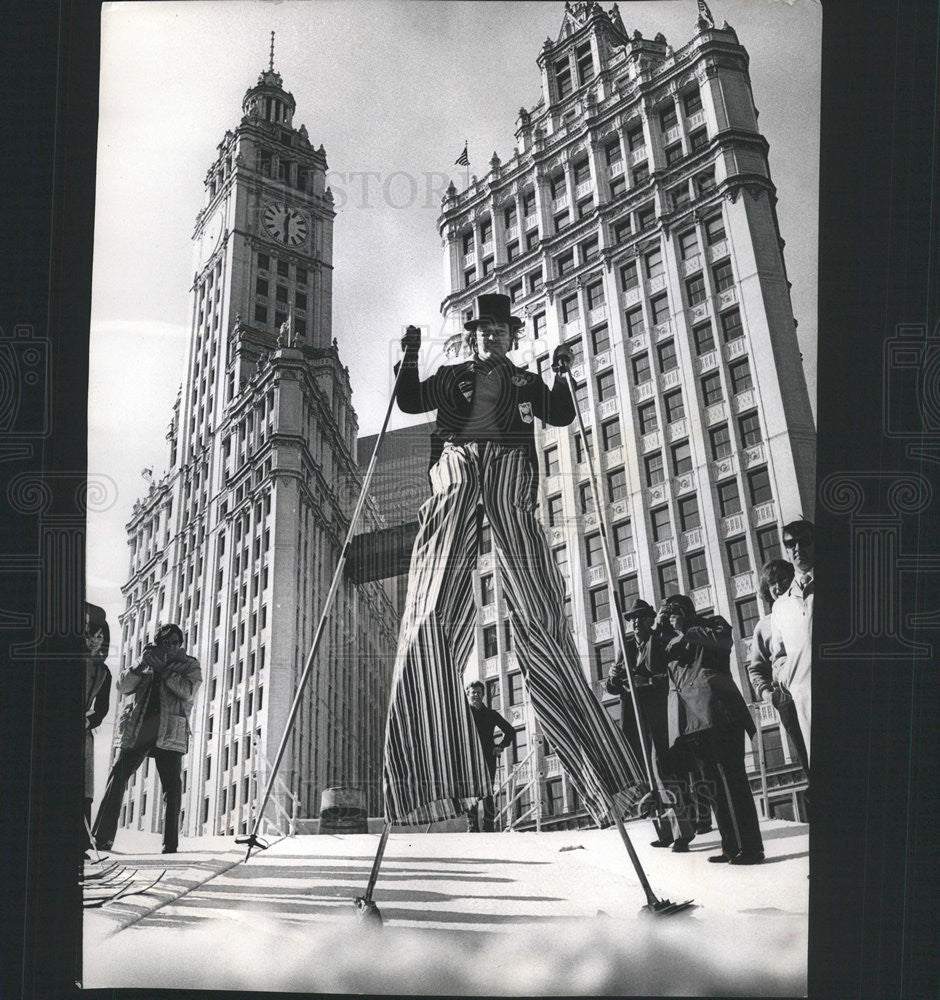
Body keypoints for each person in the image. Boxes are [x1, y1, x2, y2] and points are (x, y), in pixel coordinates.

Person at [382, 294, 643, 828]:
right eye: (482, 331)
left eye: (500, 331)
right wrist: (410, 355)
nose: (491, 337)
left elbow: (562, 413)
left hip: (510, 472)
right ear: (471, 337)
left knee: (541, 617)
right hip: (455, 467)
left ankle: (611, 787)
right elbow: (409, 401)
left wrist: (564, 374)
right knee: (430, 610)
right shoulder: (452, 374)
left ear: (511, 336)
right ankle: (424, 788)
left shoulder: (526, 382)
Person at [655, 594, 764, 865]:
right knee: (712, 787)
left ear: (688, 612)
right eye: (668, 613)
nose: (671, 616)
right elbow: (649, 665)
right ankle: (730, 846)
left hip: (720, 715)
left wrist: (686, 628)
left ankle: (750, 847)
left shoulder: (711, 624)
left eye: (675, 611)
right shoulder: (669, 642)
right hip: (692, 724)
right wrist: (658, 629)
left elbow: (722, 641)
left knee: (734, 781)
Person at [92, 624, 202, 854]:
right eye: (165, 641)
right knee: (118, 776)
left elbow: (188, 691)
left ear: (180, 644)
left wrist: (165, 671)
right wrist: (141, 665)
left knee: (172, 788)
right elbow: (122, 686)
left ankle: (170, 844)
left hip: (171, 731)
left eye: (175, 642)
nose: (170, 646)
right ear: (158, 641)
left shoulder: (189, 664)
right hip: (140, 728)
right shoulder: (146, 659)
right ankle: (101, 838)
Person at [606, 598, 697, 851]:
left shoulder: (658, 641)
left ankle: (682, 833)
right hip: (634, 720)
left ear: (649, 619)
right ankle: (664, 829)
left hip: (658, 715)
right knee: (646, 775)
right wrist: (614, 678)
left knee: (662, 770)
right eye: (632, 619)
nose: (635, 622)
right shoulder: (625, 647)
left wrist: (641, 681)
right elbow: (613, 687)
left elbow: (666, 676)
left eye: (639, 617)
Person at [747, 559, 809, 773]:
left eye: (783, 579)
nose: (778, 586)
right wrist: (770, 696)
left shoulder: (807, 607)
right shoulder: (764, 625)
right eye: (772, 583)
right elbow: (755, 669)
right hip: (787, 698)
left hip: (811, 687)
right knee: (806, 756)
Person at [771, 519, 814, 770]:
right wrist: (790, 679)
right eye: (790, 544)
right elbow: (778, 656)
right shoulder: (781, 606)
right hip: (804, 698)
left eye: (804, 541)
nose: (797, 548)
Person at [464, 680, 514, 831]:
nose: (476, 695)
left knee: (487, 792)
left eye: (479, 693)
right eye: (473, 693)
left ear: (484, 695)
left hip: (487, 757)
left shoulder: (491, 714)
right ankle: (472, 827)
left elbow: (510, 731)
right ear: (468, 694)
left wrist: (500, 746)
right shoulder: (464, 714)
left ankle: (488, 826)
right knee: (470, 791)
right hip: (469, 757)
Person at [84, 604, 112, 851]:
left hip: (82, 733)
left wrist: (88, 720)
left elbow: (101, 709)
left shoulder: (103, 672)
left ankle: (82, 845)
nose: (96, 640)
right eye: (93, 635)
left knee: (84, 788)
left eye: (101, 636)